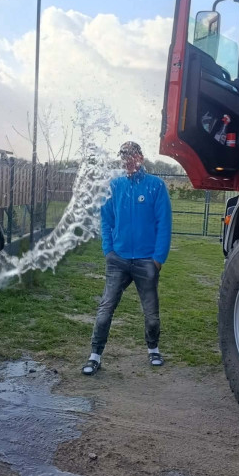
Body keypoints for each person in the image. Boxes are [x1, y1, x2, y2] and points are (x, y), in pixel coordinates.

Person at [81, 141, 172, 375]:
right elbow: (106, 220)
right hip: (118, 260)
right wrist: (108, 251)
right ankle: (95, 356)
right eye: (124, 156)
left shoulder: (156, 186)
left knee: (151, 315)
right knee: (105, 310)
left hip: (146, 261)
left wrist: (158, 259)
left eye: (131, 155)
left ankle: (153, 350)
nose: (127, 160)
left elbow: (164, 225)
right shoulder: (115, 186)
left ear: (140, 157)